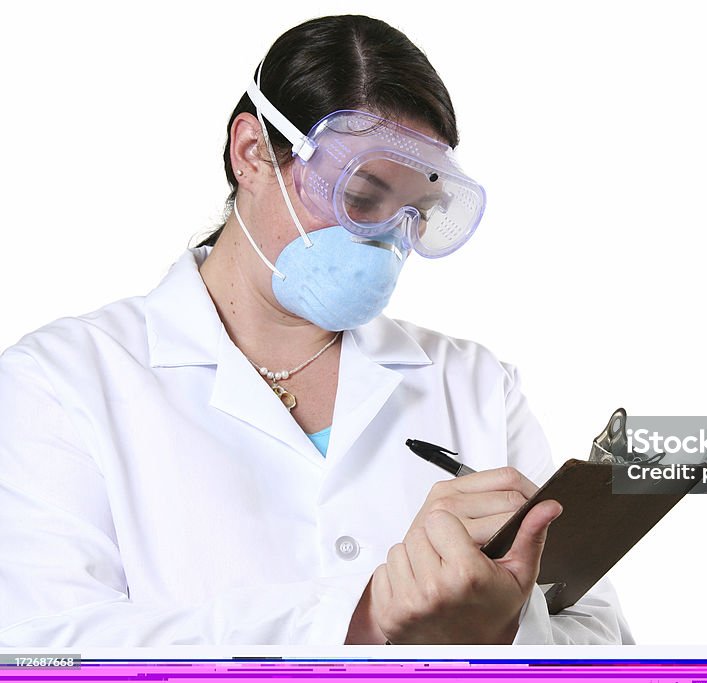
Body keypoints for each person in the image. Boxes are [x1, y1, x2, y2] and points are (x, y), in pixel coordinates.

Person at [0, 15, 632, 646]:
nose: (384, 238)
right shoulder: (60, 381)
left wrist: (494, 631)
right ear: (251, 153)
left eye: (414, 212)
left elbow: (602, 637)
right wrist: (366, 615)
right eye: (361, 196)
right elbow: (39, 649)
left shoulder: (474, 383)